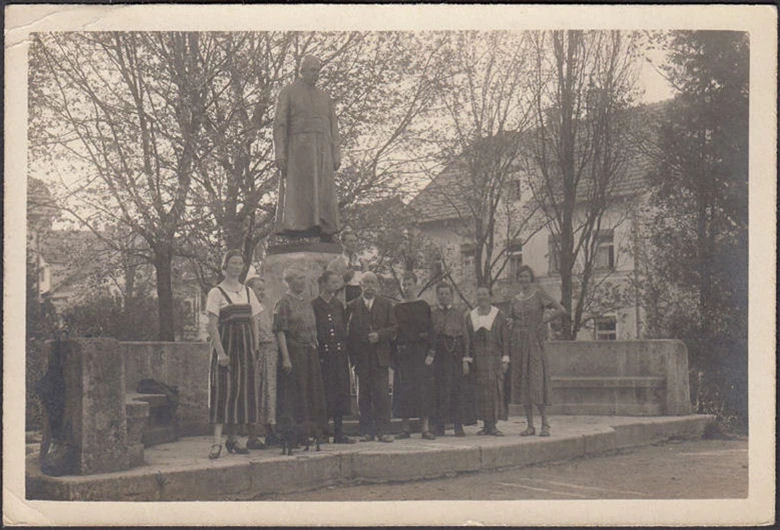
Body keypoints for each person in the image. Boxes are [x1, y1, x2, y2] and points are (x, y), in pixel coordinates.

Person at [273, 55, 341, 242]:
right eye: (312, 70)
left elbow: (333, 127)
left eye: (318, 70)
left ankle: (324, 227)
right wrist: (280, 151)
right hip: (298, 150)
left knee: (323, 189)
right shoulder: (288, 92)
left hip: (322, 151)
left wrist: (336, 153)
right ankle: (297, 228)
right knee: (299, 190)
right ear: (301, 70)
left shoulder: (325, 98)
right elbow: (280, 124)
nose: (316, 74)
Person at [206, 250, 263, 458]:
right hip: (227, 348)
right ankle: (217, 441)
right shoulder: (216, 292)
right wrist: (220, 352)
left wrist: (255, 347)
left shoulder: (248, 292)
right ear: (225, 265)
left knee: (243, 392)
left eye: (240, 263)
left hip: (246, 350)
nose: (237, 267)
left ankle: (235, 438)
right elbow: (212, 325)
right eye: (233, 263)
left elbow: (254, 322)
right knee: (223, 391)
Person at [508, 265, 566, 437]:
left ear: (531, 278)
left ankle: (545, 424)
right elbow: (511, 319)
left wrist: (545, 320)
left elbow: (560, 309)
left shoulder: (539, 294)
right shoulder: (515, 300)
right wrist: (510, 323)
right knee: (524, 384)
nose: (524, 280)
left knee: (536, 381)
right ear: (518, 279)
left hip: (534, 344)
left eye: (526, 276)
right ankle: (530, 425)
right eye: (521, 277)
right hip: (519, 344)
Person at [273, 267, 328, 445]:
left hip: (310, 352)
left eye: (304, 278)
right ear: (289, 281)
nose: (302, 282)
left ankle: (310, 432)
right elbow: (280, 331)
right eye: (298, 278)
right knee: (296, 394)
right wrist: (286, 358)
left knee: (311, 393)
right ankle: (294, 435)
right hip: (294, 352)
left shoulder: (306, 301)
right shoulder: (283, 302)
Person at [346, 272, 395, 443]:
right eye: (366, 282)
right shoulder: (352, 306)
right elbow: (349, 335)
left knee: (382, 395)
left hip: (380, 358)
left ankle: (384, 431)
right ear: (360, 285)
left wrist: (380, 335)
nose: (370, 286)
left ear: (377, 285)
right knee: (363, 396)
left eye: (373, 282)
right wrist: (353, 361)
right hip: (361, 359)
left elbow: (394, 328)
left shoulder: (386, 304)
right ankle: (366, 431)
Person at [392, 272, 436, 440]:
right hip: (404, 355)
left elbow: (431, 331)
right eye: (404, 284)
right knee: (404, 390)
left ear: (416, 284)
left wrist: (431, 353)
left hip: (421, 354)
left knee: (423, 390)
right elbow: (394, 332)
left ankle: (425, 428)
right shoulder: (398, 308)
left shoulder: (423, 306)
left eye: (409, 284)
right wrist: (394, 356)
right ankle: (405, 428)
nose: (406, 287)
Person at [313, 270, 355, 444]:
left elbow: (343, 326)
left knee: (339, 391)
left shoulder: (338, 304)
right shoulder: (314, 305)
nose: (334, 285)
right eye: (331, 282)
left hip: (339, 354)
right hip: (324, 354)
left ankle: (339, 432)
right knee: (324, 392)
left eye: (336, 282)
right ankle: (322, 432)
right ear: (323, 283)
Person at [464, 285, 510, 436]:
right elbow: (467, 340)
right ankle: (485, 425)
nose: (482, 297)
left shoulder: (499, 315)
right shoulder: (470, 316)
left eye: (484, 294)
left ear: (490, 296)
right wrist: (467, 359)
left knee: (494, 390)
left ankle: (493, 425)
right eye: (479, 295)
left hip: (494, 357)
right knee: (480, 390)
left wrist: (505, 358)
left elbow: (505, 338)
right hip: (478, 359)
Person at [429, 282, 474, 437]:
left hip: (456, 353)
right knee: (440, 390)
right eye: (440, 293)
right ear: (437, 296)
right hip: (440, 355)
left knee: (457, 389)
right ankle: (439, 425)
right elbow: (430, 337)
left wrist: (465, 360)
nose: (443, 296)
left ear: (451, 296)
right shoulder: (433, 314)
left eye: (446, 293)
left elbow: (466, 338)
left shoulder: (459, 313)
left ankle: (458, 425)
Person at [245, 271, 277, 449]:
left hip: (270, 353)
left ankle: (270, 431)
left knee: (269, 393)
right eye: (258, 289)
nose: (262, 293)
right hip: (254, 353)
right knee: (254, 392)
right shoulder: (246, 309)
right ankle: (252, 435)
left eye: (263, 290)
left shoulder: (267, 308)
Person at [327, 228, 366, 303]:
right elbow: (329, 287)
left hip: (360, 298)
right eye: (350, 241)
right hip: (344, 298)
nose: (354, 244)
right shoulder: (335, 263)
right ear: (343, 243)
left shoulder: (362, 262)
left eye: (355, 241)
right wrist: (344, 279)